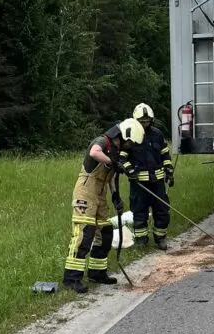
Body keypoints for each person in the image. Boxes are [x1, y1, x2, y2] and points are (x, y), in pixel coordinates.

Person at [63, 118, 145, 293]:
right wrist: (113, 163)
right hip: (86, 191)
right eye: (130, 143)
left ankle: (97, 272)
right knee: (84, 233)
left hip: (100, 196)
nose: (129, 147)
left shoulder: (116, 151)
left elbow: (112, 178)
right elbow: (94, 153)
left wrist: (116, 196)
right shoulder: (102, 142)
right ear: (124, 136)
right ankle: (71, 278)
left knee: (105, 233)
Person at [119, 103, 174, 250]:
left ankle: (160, 238)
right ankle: (141, 240)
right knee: (139, 212)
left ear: (152, 120)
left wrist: (169, 170)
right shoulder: (130, 135)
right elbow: (122, 158)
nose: (145, 124)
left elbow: (165, 154)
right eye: (142, 121)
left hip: (157, 182)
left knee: (162, 211)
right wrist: (130, 171)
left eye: (147, 121)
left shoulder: (157, 134)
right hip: (139, 184)